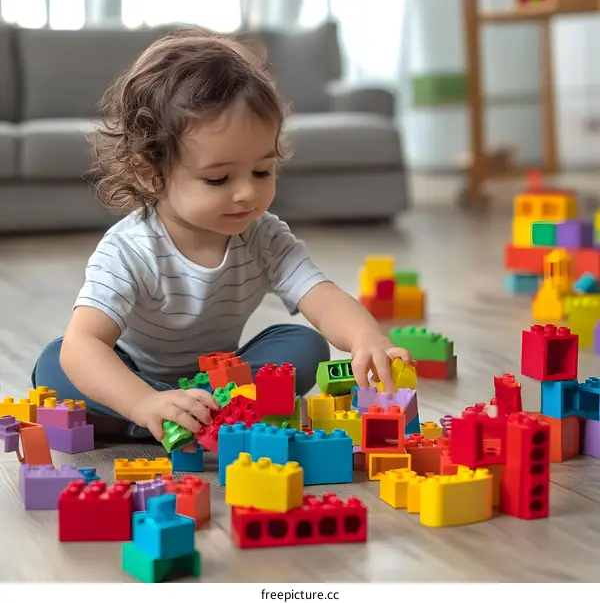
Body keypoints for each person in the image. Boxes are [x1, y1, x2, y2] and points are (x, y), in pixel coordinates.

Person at [31, 27, 412, 442]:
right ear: (150, 172)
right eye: (218, 178)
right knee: (56, 363)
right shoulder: (128, 251)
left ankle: (188, 416)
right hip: (135, 375)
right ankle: (157, 414)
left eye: (262, 171)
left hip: (222, 376)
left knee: (304, 345)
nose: (247, 192)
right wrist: (143, 401)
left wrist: (366, 337)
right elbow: (83, 345)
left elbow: (323, 298)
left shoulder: (263, 236)